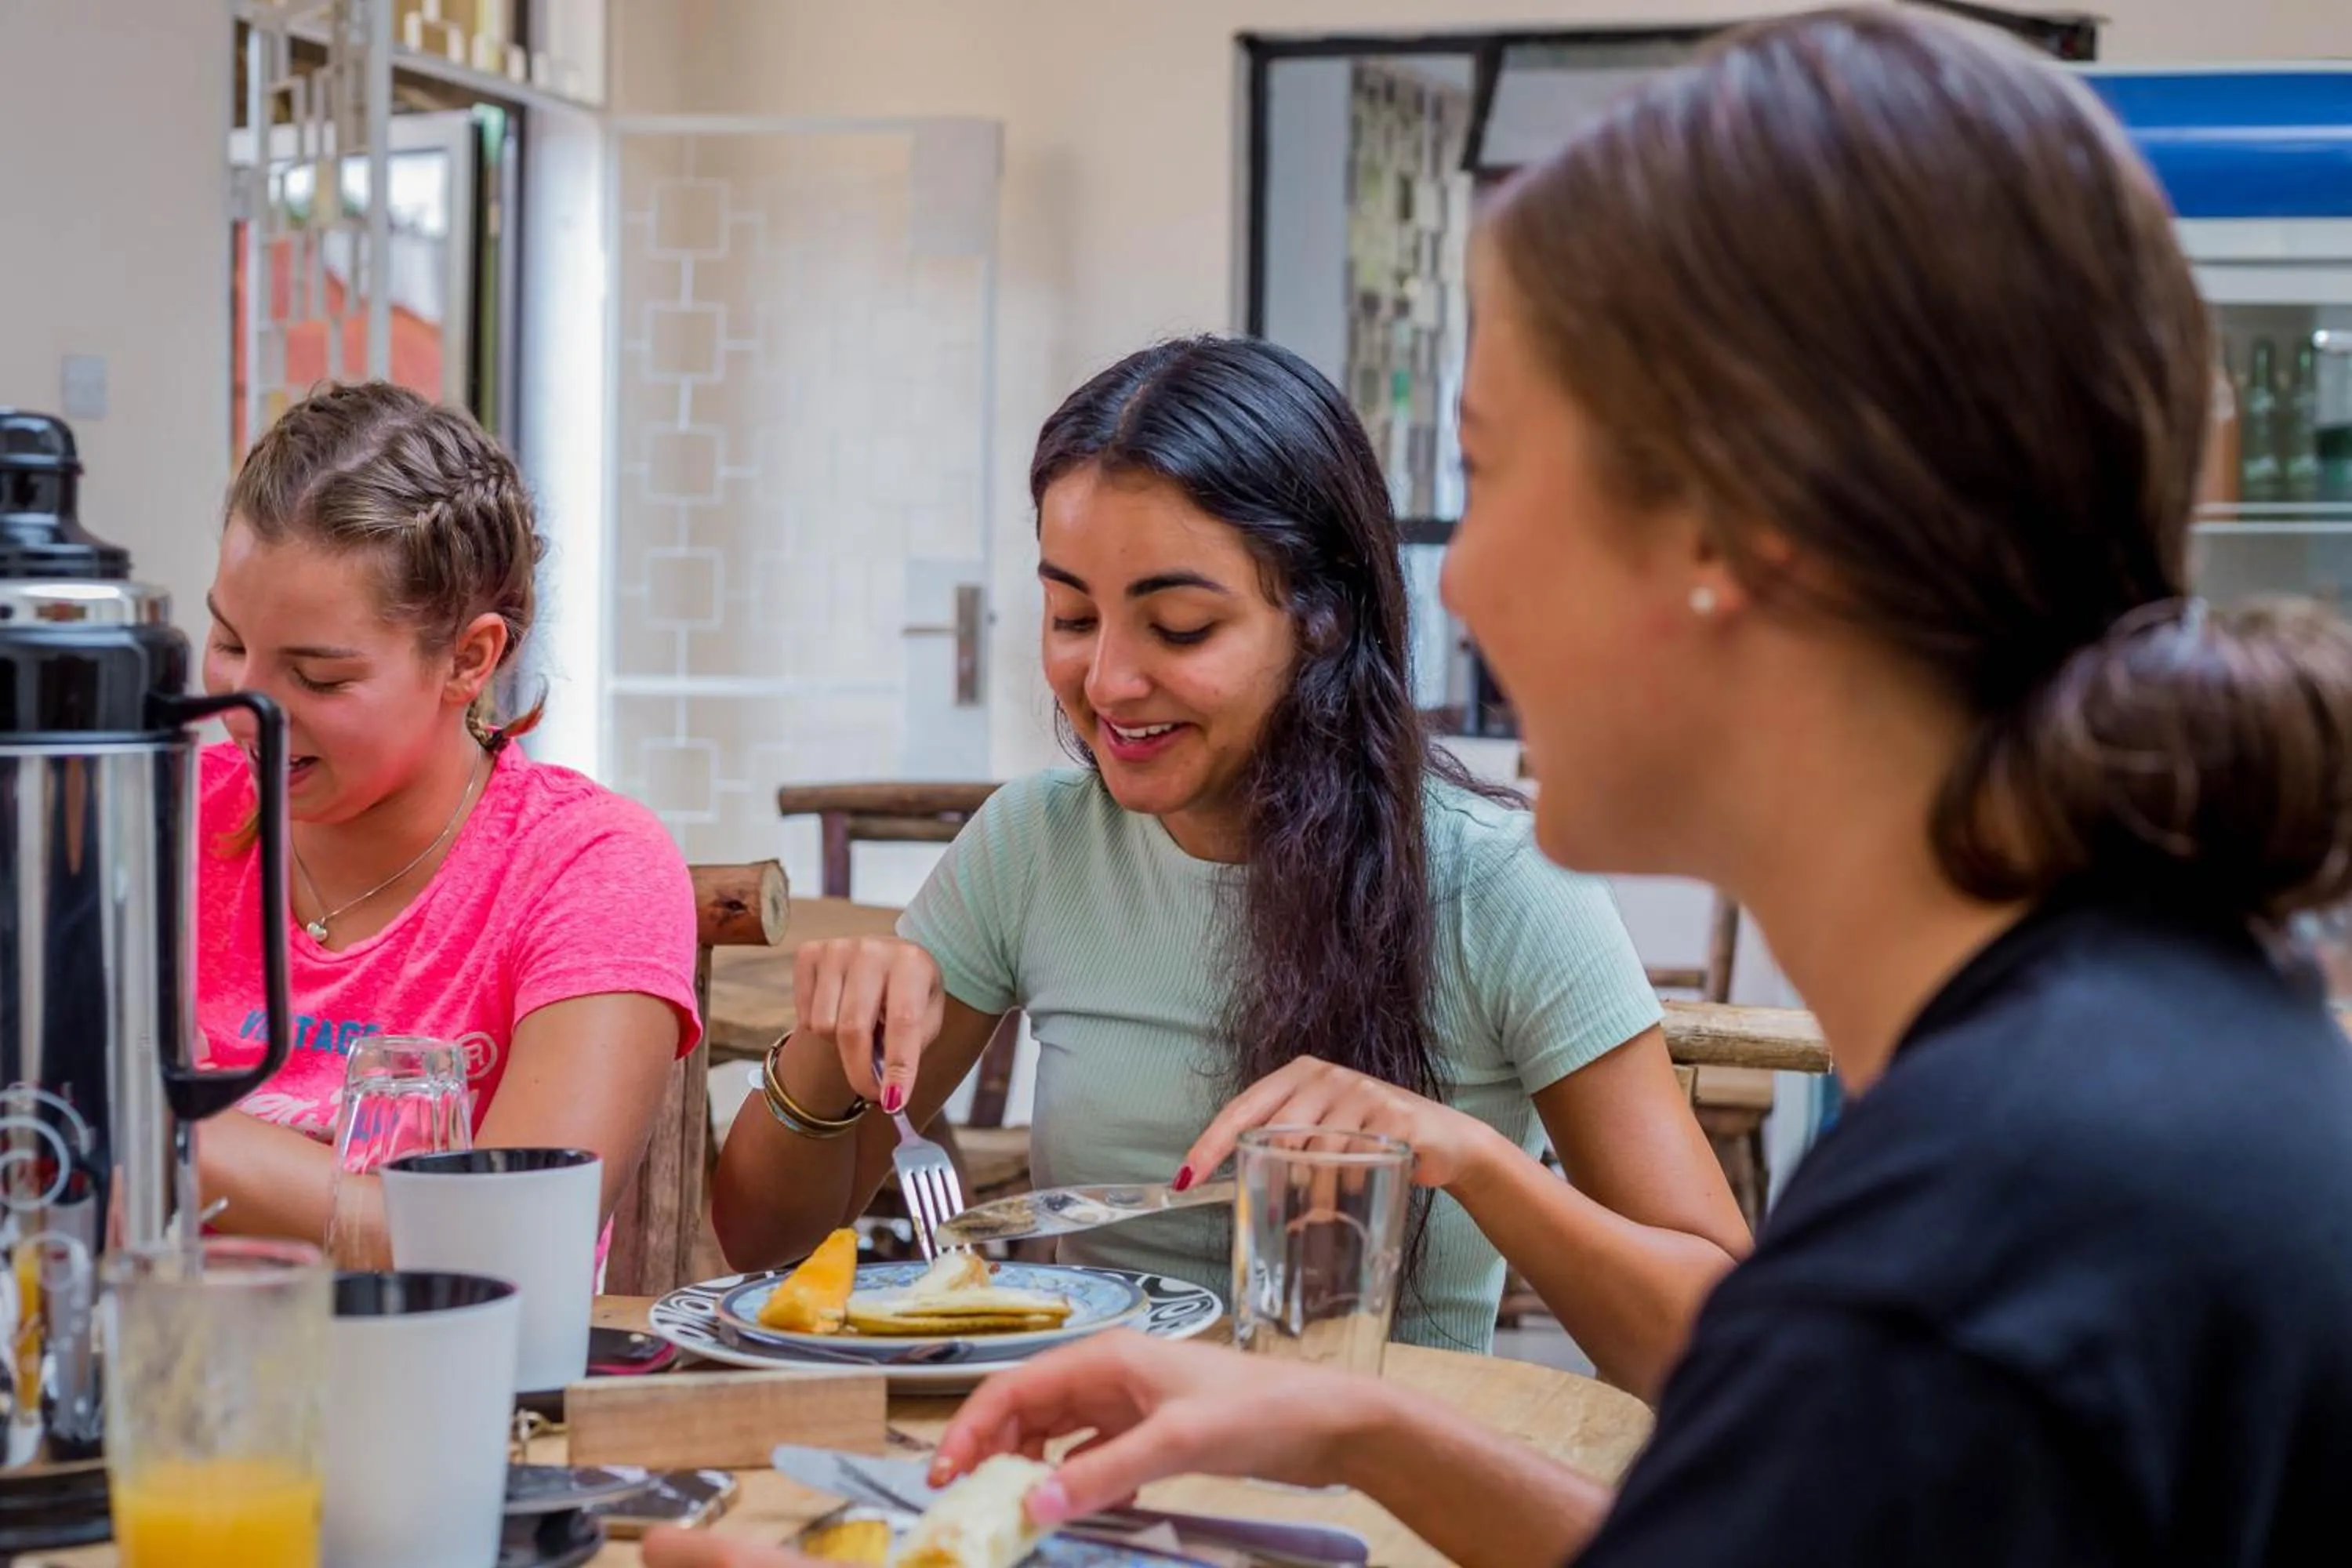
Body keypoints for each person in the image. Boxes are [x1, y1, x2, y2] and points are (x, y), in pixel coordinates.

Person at [650, 9, 2352, 1567]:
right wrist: (1362, 1423)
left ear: (1730, 535)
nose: (1450, 590)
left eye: (1493, 467)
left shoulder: (1977, 1262)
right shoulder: (2132, 1074)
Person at [712, 335, 1747, 1382]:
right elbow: (761, 1245)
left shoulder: (1497, 880)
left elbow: (1724, 1342)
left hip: (1392, 1495)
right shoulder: (1034, 842)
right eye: (1072, 615)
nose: (1107, 678)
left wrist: (1472, 1158)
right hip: (1098, 1472)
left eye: (1179, 627)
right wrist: (820, 1055)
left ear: (1323, 621)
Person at [196, 381, 702, 1239]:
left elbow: (508, 1239)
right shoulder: (155, 819)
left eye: (318, 676)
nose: (245, 707)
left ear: (469, 658)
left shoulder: (587, 865)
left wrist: (159, 1135)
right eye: (229, 643)